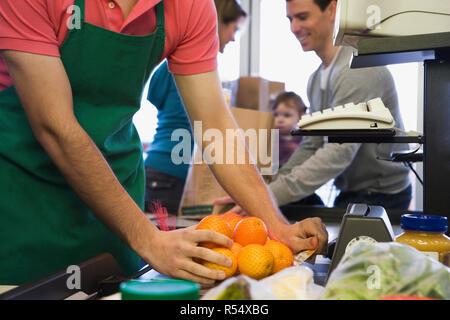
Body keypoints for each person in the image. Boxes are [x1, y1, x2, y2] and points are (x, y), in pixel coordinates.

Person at [0, 0, 327, 286]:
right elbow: (54, 125)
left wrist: (276, 226)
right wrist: (147, 238)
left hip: (114, 205)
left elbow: (216, 126)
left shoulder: (189, 7)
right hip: (23, 198)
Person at [215, 0, 411, 213]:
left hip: (383, 195)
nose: (294, 28)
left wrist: (266, 197)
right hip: (351, 191)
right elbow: (312, 144)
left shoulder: (357, 69)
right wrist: (268, 188)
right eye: (290, 19)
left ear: (333, 9)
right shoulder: (316, 79)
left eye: (302, 17)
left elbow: (339, 151)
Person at [144, 0, 247, 215]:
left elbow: (154, 96)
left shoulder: (165, 67)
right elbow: (212, 121)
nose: (234, 37)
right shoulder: (193, 71)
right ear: (218, 22)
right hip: (176, 172)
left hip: (154, 167)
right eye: (233, 29)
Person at [272, 91, 306, 166]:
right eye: (276, 115)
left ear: (300, 118)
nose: (280, 120)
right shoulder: (271, 138)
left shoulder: (303, 139)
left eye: (287, 115)